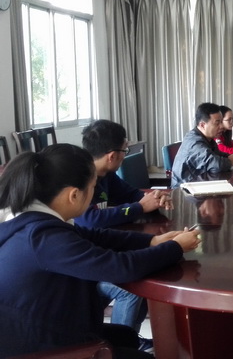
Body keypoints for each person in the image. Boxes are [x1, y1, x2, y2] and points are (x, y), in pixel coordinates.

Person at [0, 144, 200, 358]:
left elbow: (95, 236)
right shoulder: (43, 239)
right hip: (40, 347)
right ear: (74, 195)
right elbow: (120, 268)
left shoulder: (32, 221)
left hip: (45, 328)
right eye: (93, 187)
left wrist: (153, 241)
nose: (94, 194)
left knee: (127, 337)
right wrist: (176, 247)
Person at [76, 119, 174, 351]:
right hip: (83, 269)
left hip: (101, 251)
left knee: (142, 273)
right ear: (112, 156)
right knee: (129, 287)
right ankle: (118, 350)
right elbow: (89, 220)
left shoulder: (106, 174)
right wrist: (139, 208)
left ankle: (131, 340)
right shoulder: (80, 177)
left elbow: (130, 194)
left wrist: (153, 198)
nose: (124, 156)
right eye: (125, 151)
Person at [171, 102, 233, 188]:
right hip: (184, 189)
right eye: (217, 123)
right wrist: (231, 161)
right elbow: (214, 164)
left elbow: (217, 154)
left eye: (221, 122)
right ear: (202, 125)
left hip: (200, 183)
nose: (221, 126)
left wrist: (232, 156)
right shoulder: (194, 142)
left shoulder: (208, 138)